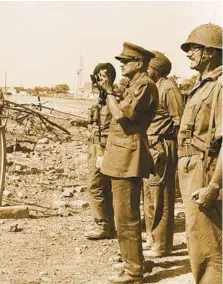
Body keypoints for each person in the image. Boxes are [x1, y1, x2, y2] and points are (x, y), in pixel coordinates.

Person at [99, 42, 158, 283]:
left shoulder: (143, 85)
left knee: (126, 215)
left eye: (126, 60)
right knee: (122, 213)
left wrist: (109, 91)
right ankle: (132, 261)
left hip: (128, 156)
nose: (121, 64)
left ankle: (134, 271)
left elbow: (123, 115)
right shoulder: (134, 84)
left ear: (140, 63)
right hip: (121, 154)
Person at [177, 23, 222, 283]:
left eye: (193, 48)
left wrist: (214, 185)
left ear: (210, 53)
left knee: (208, 247)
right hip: (193, 169)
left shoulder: (219, 86)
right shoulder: (202, 84)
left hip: (205, 172)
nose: (189, 53)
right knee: (197, 242)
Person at [143, 51, 184, 258]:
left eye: (148, 68)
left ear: (156, 69)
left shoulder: (168, 89)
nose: (145, 71)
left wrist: (173, 151)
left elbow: (180, 122)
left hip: (162, 147)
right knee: (150, 195)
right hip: (151, 146)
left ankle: (162, 245)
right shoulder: (154, 87)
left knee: (162, 198)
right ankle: (152, 238)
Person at [84, 63, 116, 240]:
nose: (99, 81)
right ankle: (108, 224)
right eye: (97, 77)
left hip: (105, 149)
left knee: (95, 185)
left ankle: (103, 224)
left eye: (103, 77)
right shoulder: (101, 98)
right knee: (103, 187)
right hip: (96, 147)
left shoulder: (114, 97)